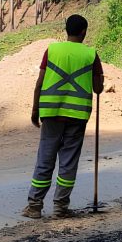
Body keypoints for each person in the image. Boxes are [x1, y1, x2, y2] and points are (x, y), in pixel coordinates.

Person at [22, 14, 104, 219]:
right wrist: (99, 78)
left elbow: (40, 83)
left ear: (66, 29)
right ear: (84, 31)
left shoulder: (52, 50)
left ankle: (34, 207)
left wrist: (35, 109)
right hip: (77, 115)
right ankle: (60, 207)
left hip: (50, 112)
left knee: (45, 159)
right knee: (68, 162)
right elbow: (97, 89)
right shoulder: (91, 54)